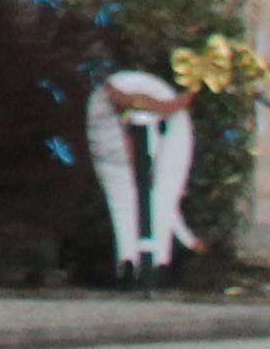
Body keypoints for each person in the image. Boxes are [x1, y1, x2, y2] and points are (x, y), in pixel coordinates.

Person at [84, 65, 196, 280]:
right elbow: (123, 99)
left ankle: (141, 262)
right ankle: (137, 263)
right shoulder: (109, 100)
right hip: (119, 154)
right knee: (130, 203)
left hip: (122, 151)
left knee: (137, 203)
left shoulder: (104, 103)